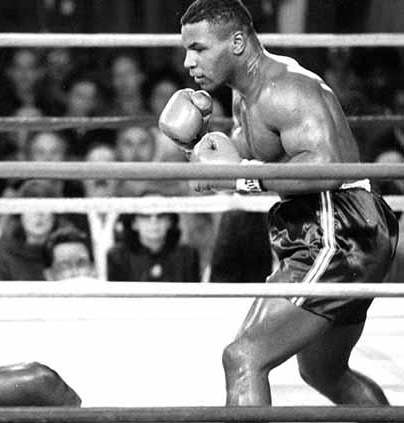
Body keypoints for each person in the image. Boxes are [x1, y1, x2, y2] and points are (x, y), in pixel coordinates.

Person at [160, 0, 398, 407]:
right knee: (324, 372)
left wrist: (241, 176)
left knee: (244, 357)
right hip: (330, 226)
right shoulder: (244, 97)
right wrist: (196, 149)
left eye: (198, 48)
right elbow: (244, 164)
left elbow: (328, 167)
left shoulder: (284, 88)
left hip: (337, 227)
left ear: (236, 42)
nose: (188, 61)